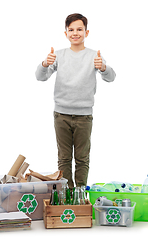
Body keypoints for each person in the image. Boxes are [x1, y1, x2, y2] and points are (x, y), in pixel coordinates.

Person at [35, 13, 116, 190]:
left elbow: (111, 77)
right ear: (66, 34)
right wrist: (44, 63)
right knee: (64, 158)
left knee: (82, 158)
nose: (75, 33)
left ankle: (80, 194)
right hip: (61, 115)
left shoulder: (95, 55)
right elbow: (40, 77)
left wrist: (103, 67)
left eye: (79, 29)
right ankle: (66, 194)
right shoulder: (58, 55)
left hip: (84, 116)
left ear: (86, 32)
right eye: (71, 30)